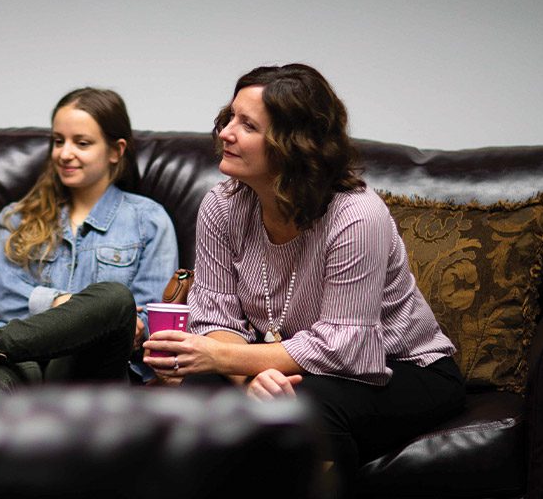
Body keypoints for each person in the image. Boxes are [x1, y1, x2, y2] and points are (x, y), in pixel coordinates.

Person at [143, 64, 464, 497]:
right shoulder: (221, 206)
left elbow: (345, 346)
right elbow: (217, 319)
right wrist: (250, 379)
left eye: (248, 125)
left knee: (306, 410)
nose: (225, 133)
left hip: (401, 367)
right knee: (203, 394)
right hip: (290, 364)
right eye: (230, 117)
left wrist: (231, 361)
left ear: (291, 146)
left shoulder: (355, 216)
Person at [0, 87, 178, 390]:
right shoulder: (14, 221)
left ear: (116, 151)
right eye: (58, 141)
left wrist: (67, 304)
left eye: (82, 143)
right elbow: (8, 303)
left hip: (91, 368)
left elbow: (143, 320)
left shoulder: (149, 221)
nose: (65, 153)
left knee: (115, 298)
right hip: (19, 360)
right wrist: (67, 307)